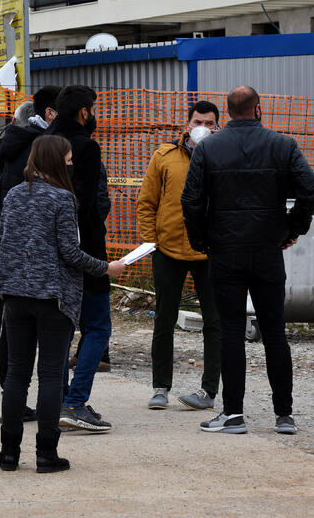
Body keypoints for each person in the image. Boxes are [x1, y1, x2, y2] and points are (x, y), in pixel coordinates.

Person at [182, 85, 314, 435]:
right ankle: (284, 415)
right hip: (266, 249)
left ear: (226, 113)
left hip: (225, 250)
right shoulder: (283, 145)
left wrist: (202, 239)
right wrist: (292, 228)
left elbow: (191, 200)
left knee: (231, 330)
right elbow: (312, 190)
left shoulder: (208, 147)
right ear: (258, 108)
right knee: (275, 331)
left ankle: (233, 415)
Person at [0, 135, 125, 474]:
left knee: (17, 374)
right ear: (56, 161)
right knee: (51, 374)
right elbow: (70, 252)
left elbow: (3, 242)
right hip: (53, 297)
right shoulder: (63, 199)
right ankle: (46, 454)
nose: (71, 163)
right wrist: (106, 268)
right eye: (68, 159)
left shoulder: (14, 194)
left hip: (15, 295)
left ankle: (9, 453)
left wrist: (4, 285)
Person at [137, 101, 222, 411]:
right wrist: (152, 241)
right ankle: (160, 388)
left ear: (217, 125)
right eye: (198, 121)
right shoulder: (164, 156)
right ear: (187, 123)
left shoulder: (223, 156)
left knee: (215, 322)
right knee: (165, 319)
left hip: (210, 252)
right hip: (168, 250)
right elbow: (146, 202)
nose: (203, 126)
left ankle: (208, 391)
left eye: (209, 122)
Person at [46, 85, 114, 432]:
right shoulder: (86, 147)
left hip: (46, 253)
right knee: (98, 326)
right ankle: (74, 401)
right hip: (85, 247)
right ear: (84, 112)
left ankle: (57, 400)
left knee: (59, 330)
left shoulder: (42, 144)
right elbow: (87, 203)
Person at [0, 88, 58, 384]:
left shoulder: (6, 145)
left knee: (1, 302)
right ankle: (8, 376)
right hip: (31, 235)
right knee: (18, 313)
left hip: (5, 229)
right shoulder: (40, 146)